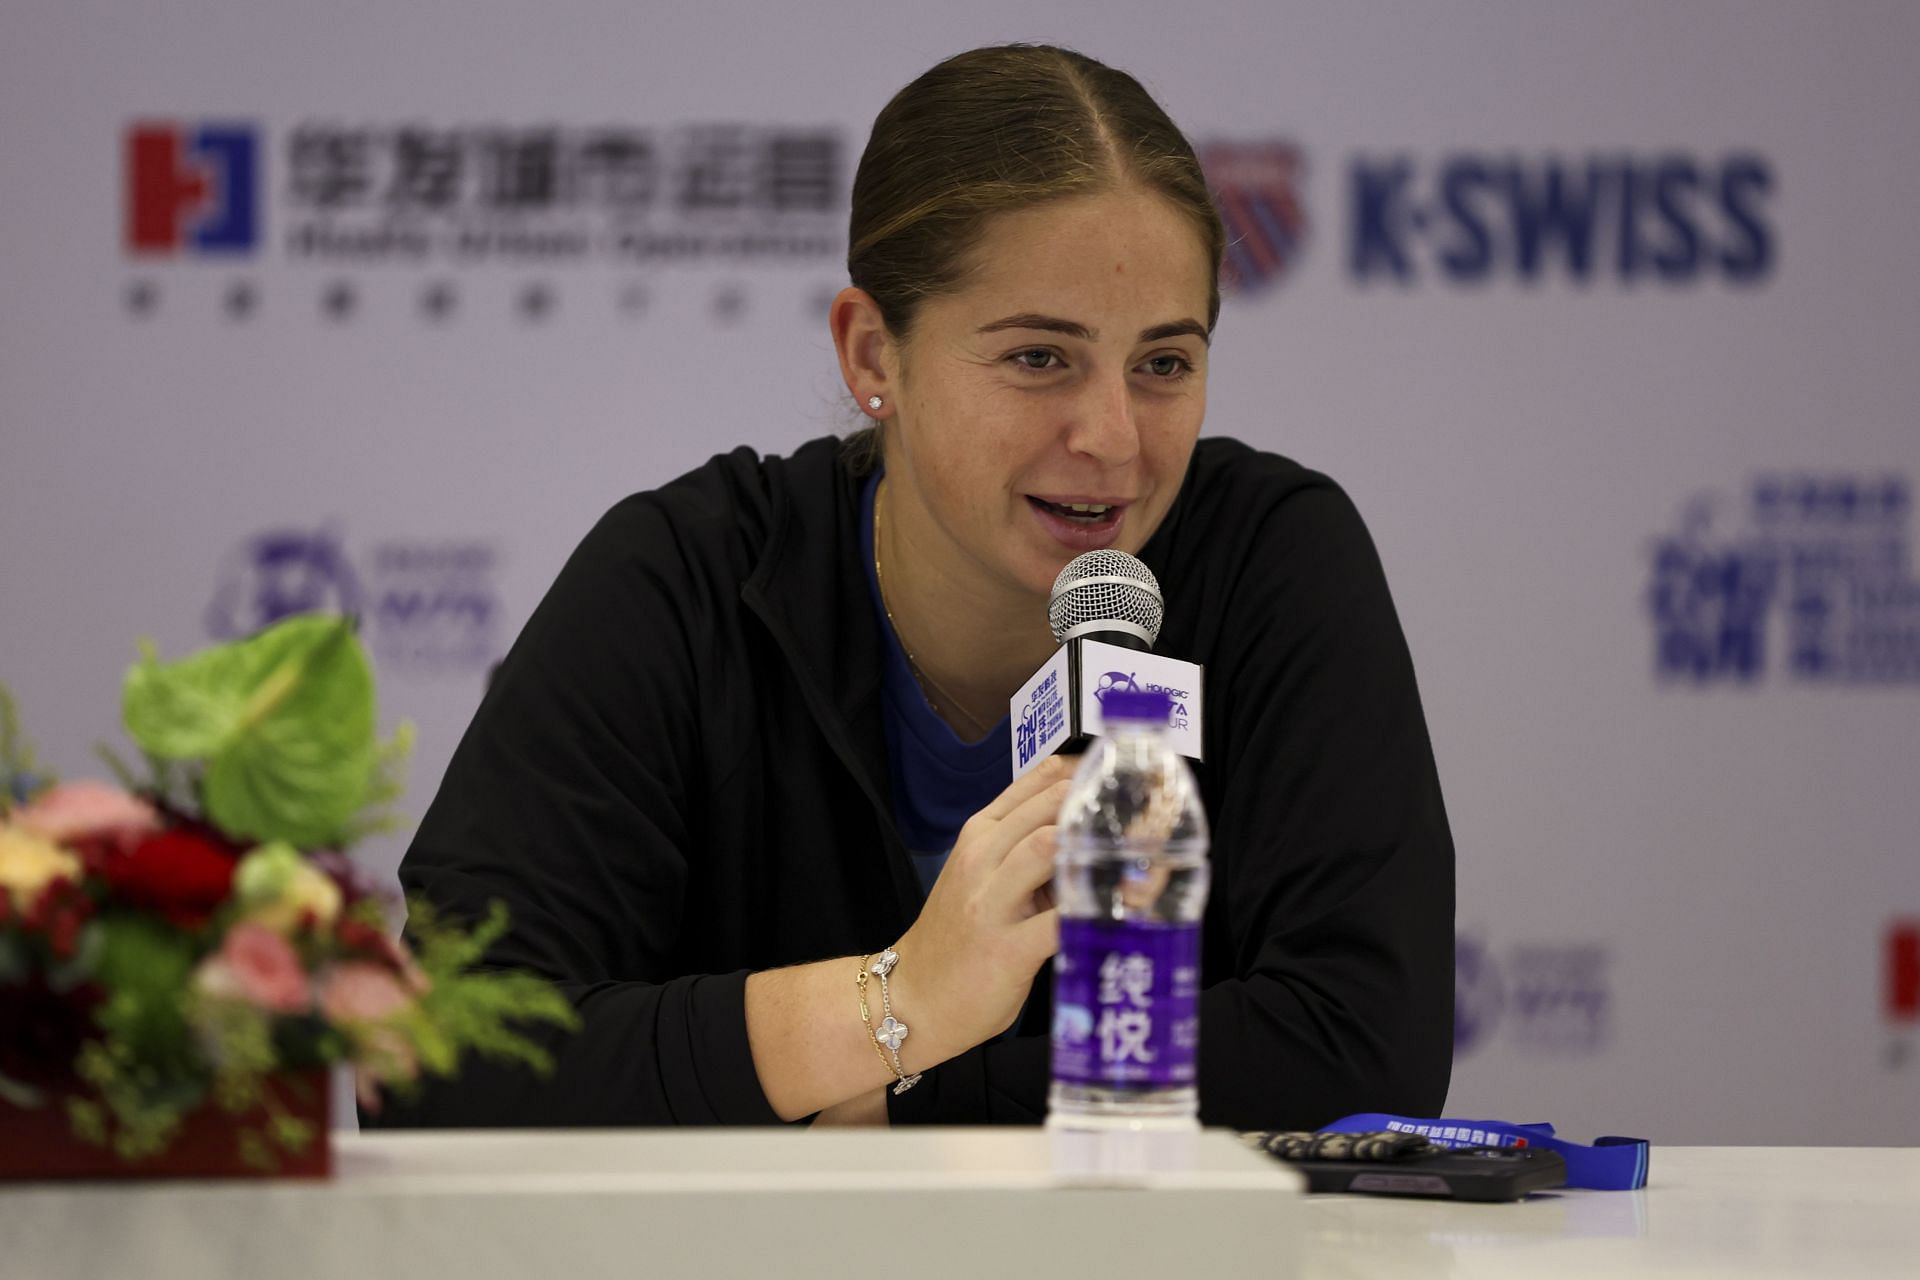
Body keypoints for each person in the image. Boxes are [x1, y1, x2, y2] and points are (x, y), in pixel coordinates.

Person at [367, 44, 1453, 1131]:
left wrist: (905, 1104)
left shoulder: (1268, 559)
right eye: (1040, 357)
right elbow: (439, 1059)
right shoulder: (686, 580)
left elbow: (1361, 1040)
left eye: (1164, 363)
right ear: (873, 353)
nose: (1113, 440)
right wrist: (900, 1003)